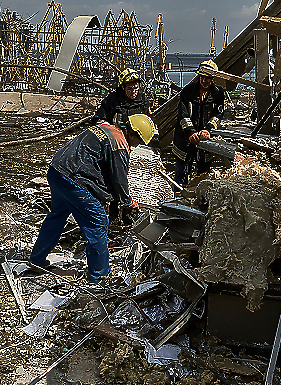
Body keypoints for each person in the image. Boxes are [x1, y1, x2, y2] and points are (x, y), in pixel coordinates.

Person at [30, 114, 156, 284]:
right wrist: (127, 202)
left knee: (57, 216)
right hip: (73, 180)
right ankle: (100, 277)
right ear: (132, 134)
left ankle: (36, 260)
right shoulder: (119, 144)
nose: (137, 145)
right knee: (98, 223)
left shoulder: (105, 128)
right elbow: (119, 179)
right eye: (139, 142)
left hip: (57, 171)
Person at [171, 59, 225, 186]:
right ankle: (179, 195)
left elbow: (218, 114)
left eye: (207, 78)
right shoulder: (188, 91)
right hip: (185, 140)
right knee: (181, 174)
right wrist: (190, 132)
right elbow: (183, 115)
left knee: (204, 176)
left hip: (205, 141)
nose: (204, 81)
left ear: (212, 79)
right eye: (202, 77)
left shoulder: (218, 94)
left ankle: (200, 197)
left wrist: (208, 130)